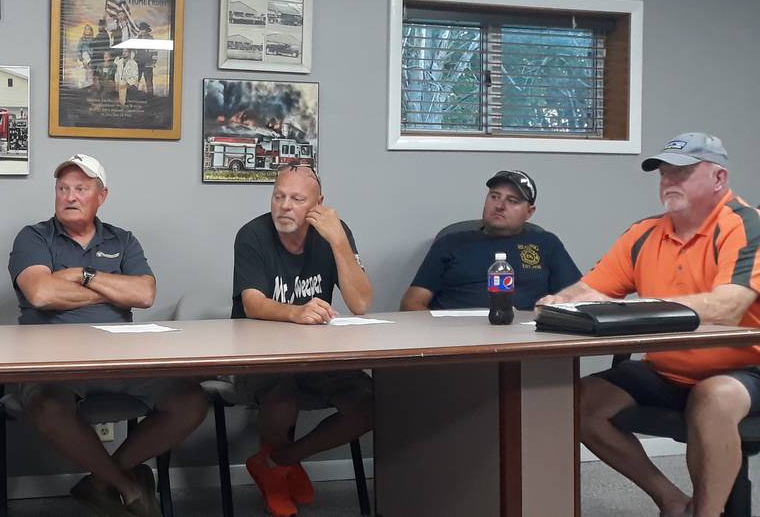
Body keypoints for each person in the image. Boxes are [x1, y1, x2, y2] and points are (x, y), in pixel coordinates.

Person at [537, 133, 760, 517]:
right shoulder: (644, 233)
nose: (670, 181)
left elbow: (728, 306)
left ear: (719, 178)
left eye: (683, 172)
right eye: (664, 173)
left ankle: (706, 514)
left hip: (745, 369)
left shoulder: (745, 225)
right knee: (577, 401)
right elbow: (592, 289)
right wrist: (560, 302)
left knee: (713, 398)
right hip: (668, 370)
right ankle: (672, 501)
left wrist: (644, 308)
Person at [8, 154, 207, 517]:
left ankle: (99, 482)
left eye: (81, 189)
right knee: (47, 407)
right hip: (52, 362)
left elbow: (145, 295)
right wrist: (114, 289)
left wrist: (82, 274)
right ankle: (127, 486)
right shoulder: (33, 237)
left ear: (101, 196)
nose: (69, 196)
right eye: (63, 188)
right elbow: (42, 294)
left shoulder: (123, 240)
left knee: (191, 401)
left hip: (120, 359)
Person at [231, 164, 374, 517]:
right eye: (278, 196)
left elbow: (360, 302)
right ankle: (278, 475)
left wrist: (338, 241)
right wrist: (295, 312)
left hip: (316, 355)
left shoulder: (333, 235)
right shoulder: (253, 234)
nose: (284, 206)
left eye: (296, 199)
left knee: (371, 404)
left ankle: (277, 462)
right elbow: (252, 302)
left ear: (318, 204)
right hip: (260, 355)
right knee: (282, 398)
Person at [399, 170, 582, 311]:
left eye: (512, 200)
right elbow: (411, 303)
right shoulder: (451, 243)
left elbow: (576, 298)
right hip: (457, 340)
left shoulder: (546, 243)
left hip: (527, 339)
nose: (500, 206)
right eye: (494, 196)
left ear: (530, 212)